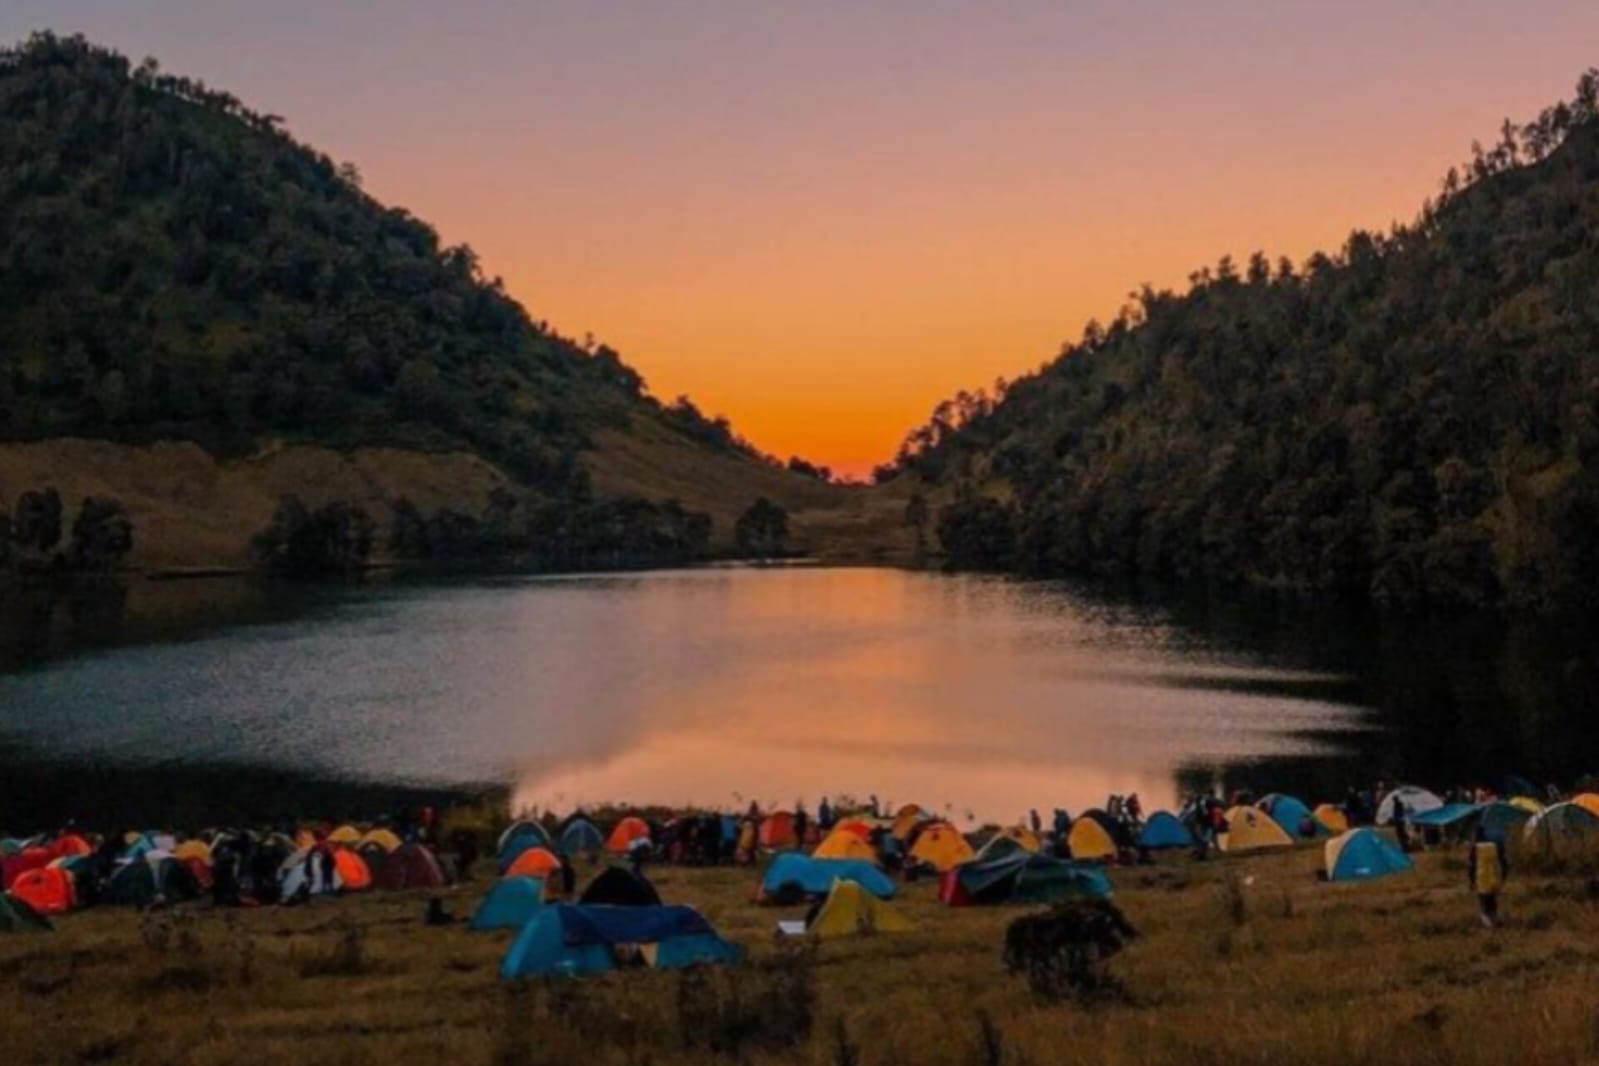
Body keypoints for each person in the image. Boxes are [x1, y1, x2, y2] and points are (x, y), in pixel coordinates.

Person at [1468, 823, 1507, 929]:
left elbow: (1472, 865)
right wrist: (1503, 877)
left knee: (1484, 905)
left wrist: (1471, 881)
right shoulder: (1494, 845)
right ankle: (1496, 921)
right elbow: (1502, 861)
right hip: (1494, 878)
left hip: (1482, 880)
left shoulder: (1475, 848)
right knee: (1493, 902)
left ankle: (1489, 926)